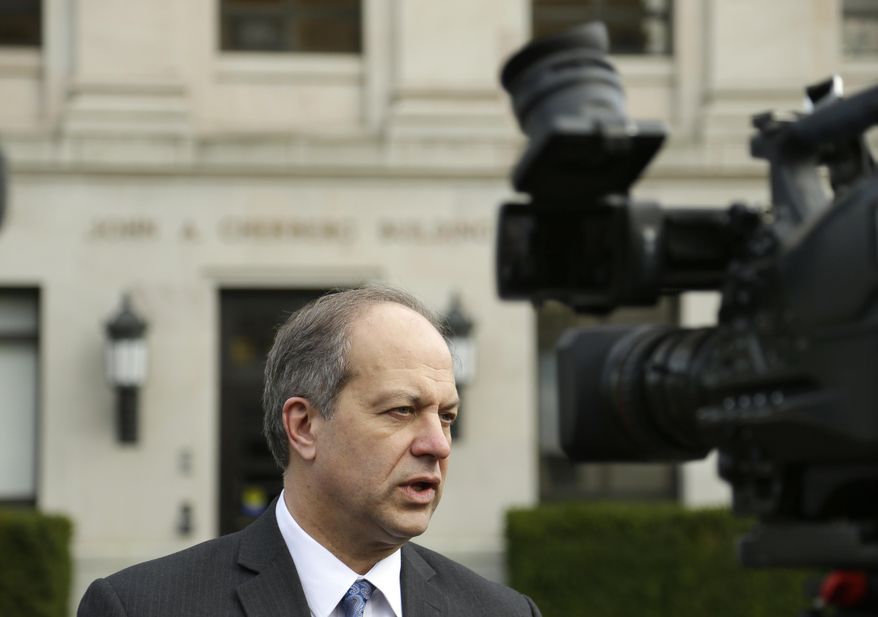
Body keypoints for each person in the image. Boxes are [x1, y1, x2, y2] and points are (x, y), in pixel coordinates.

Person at [78, 285, 541, 616]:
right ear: (304, 426)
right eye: (402, 410)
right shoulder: (141, 606)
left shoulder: (505, 611)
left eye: (446, 416)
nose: (438, 444)